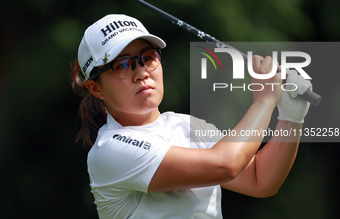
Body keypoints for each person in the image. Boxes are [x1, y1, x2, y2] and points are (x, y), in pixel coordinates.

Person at [70, 14, 312, 219]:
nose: (141, 73)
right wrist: (266, 100)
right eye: (122, 65)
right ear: (95, 88)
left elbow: (261, 180)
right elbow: (225, 165)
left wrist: (291, 118)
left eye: (147, 57)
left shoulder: (187, 126)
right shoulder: (109, 149)